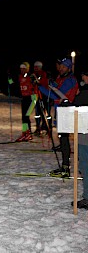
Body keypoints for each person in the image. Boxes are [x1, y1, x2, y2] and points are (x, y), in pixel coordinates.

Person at [38, 57, 79, 177]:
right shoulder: (62, 78)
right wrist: (45, 83)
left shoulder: (70, 79)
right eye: (60, 66)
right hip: (60, 110)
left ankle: (65, 168)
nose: (60, 68)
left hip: (66, 110)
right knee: (62, 138)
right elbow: (53, 87)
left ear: (69, 67)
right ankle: (64, 166)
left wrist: (40, 87)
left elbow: (55, 94)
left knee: (64, 139)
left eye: (63, 66)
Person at [70, 71, 88, 209]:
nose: (82, 78)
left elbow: (76, 105)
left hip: (85, 134)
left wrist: (76, 97)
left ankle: (87, 197)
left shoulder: (84, 93)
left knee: (85, 166)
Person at [15, 62, 35, 142]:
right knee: (24, 117)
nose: (22, 70)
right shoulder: (20, 76)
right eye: (21, 68)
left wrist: (34, 81)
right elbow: (13, 84)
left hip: (32, 98)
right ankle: (24, 132)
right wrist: (9, 78)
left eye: (24, 68)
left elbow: (37, 83)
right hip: (24, 98)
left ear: (27, 69)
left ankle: (28, 133)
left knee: (26, 116)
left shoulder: (31, 76)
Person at [31, 60, 50, 136]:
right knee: (37, 112)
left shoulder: (43, 74)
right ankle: (38, 127)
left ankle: (46, 127)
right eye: (35, 67)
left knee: (44, 112)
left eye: (37, 67)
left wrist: (37, 80)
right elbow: (31, 84)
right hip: (35, 95)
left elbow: (42, 82)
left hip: (43, 95)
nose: (36, 68)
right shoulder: (33, 74)